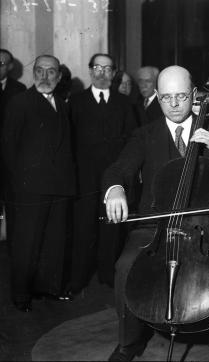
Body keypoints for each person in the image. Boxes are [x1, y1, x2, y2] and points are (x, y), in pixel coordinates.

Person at [103, 65, 209, 362]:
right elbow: (117, 169)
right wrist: (116, 188)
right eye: (167, 97)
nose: (174, 105)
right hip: (156, 228)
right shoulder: (144, 135)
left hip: (204, 230)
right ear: (157, 97)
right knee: (124, 268)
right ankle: (129, 343)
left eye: (182, 96)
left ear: (195, 94)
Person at [1, 55, 75, 312]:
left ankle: (49, 288)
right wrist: (17, 186)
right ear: (33, 73)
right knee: (26, 243)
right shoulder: (20, 102)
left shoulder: (63, 104)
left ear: (59, 76)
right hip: (29, 188)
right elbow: (8, 148)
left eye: (51, 72)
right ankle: (21, 295)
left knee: (54, 242)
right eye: (40, 71)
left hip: (59, 186)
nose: (45, 77)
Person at [68, 53, 137, 294]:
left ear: (114, 73)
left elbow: (132, 141)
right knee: (83, 228)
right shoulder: (75, 102)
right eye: (97, 68)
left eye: (107, 69)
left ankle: (109, 276)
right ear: (90, 71)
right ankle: (78, 278)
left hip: (114, 179)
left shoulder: (124, 103)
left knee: (112, 229)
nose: (102, 73)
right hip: (84, 179)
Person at [0, 49, 27, 244]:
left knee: (13, 209)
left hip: (10, 162)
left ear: (10, 67)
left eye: (2, 64)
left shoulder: (19, 89)